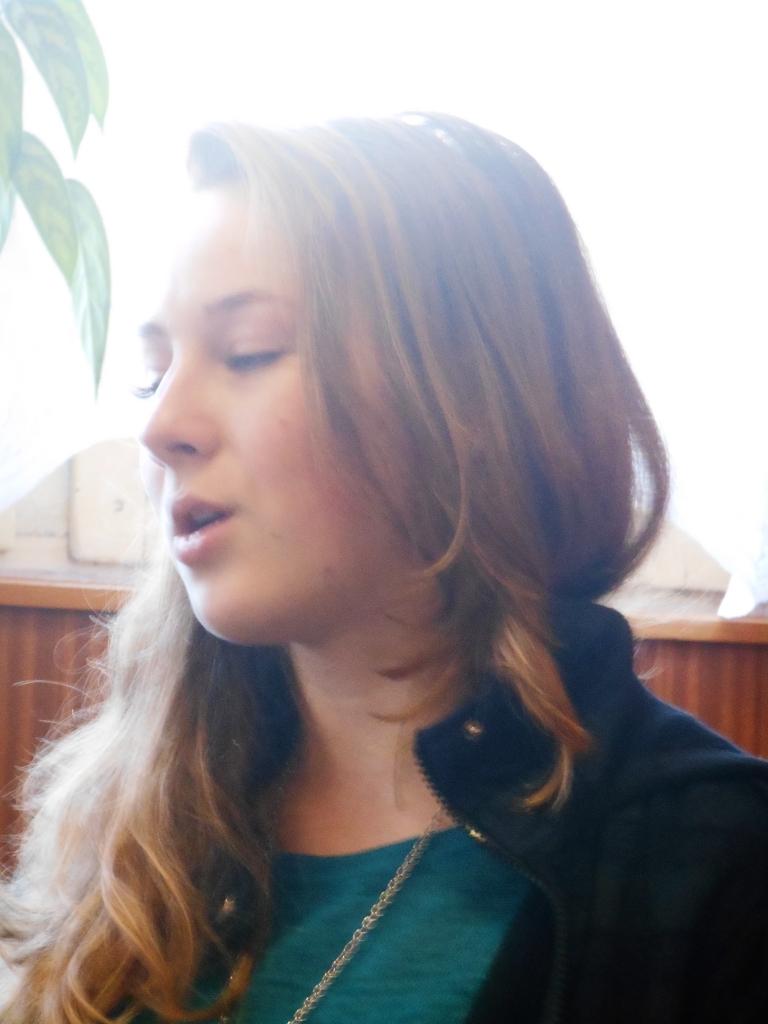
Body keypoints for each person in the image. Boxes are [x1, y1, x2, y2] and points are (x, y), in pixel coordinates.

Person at [1, 112, 767, 1024]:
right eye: (150, 373)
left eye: (249, 352)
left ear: (470, 398)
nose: (162, 426)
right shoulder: (124, 822)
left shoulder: (716, 867)